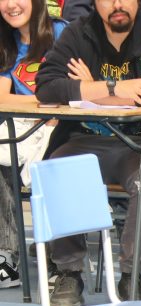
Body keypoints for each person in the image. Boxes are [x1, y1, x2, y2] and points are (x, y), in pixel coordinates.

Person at [35, 0, 141, 306]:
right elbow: (47, 88)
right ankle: (69, 272)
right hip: (84, 137)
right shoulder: (79, 32)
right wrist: (115, 87)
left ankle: (133, 275)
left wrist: (87, 88)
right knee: (58, 167)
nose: (117, 4)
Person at [0, 0, 67, 288]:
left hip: (62, 123)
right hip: (24, 123)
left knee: (54, 162)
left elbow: (73, 92)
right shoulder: (5, 40)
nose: (11, 5)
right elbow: (2, 98)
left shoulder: (63, 33)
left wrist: (52, 101)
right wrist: (44, 98)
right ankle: (8, 255)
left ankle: (59, 261)